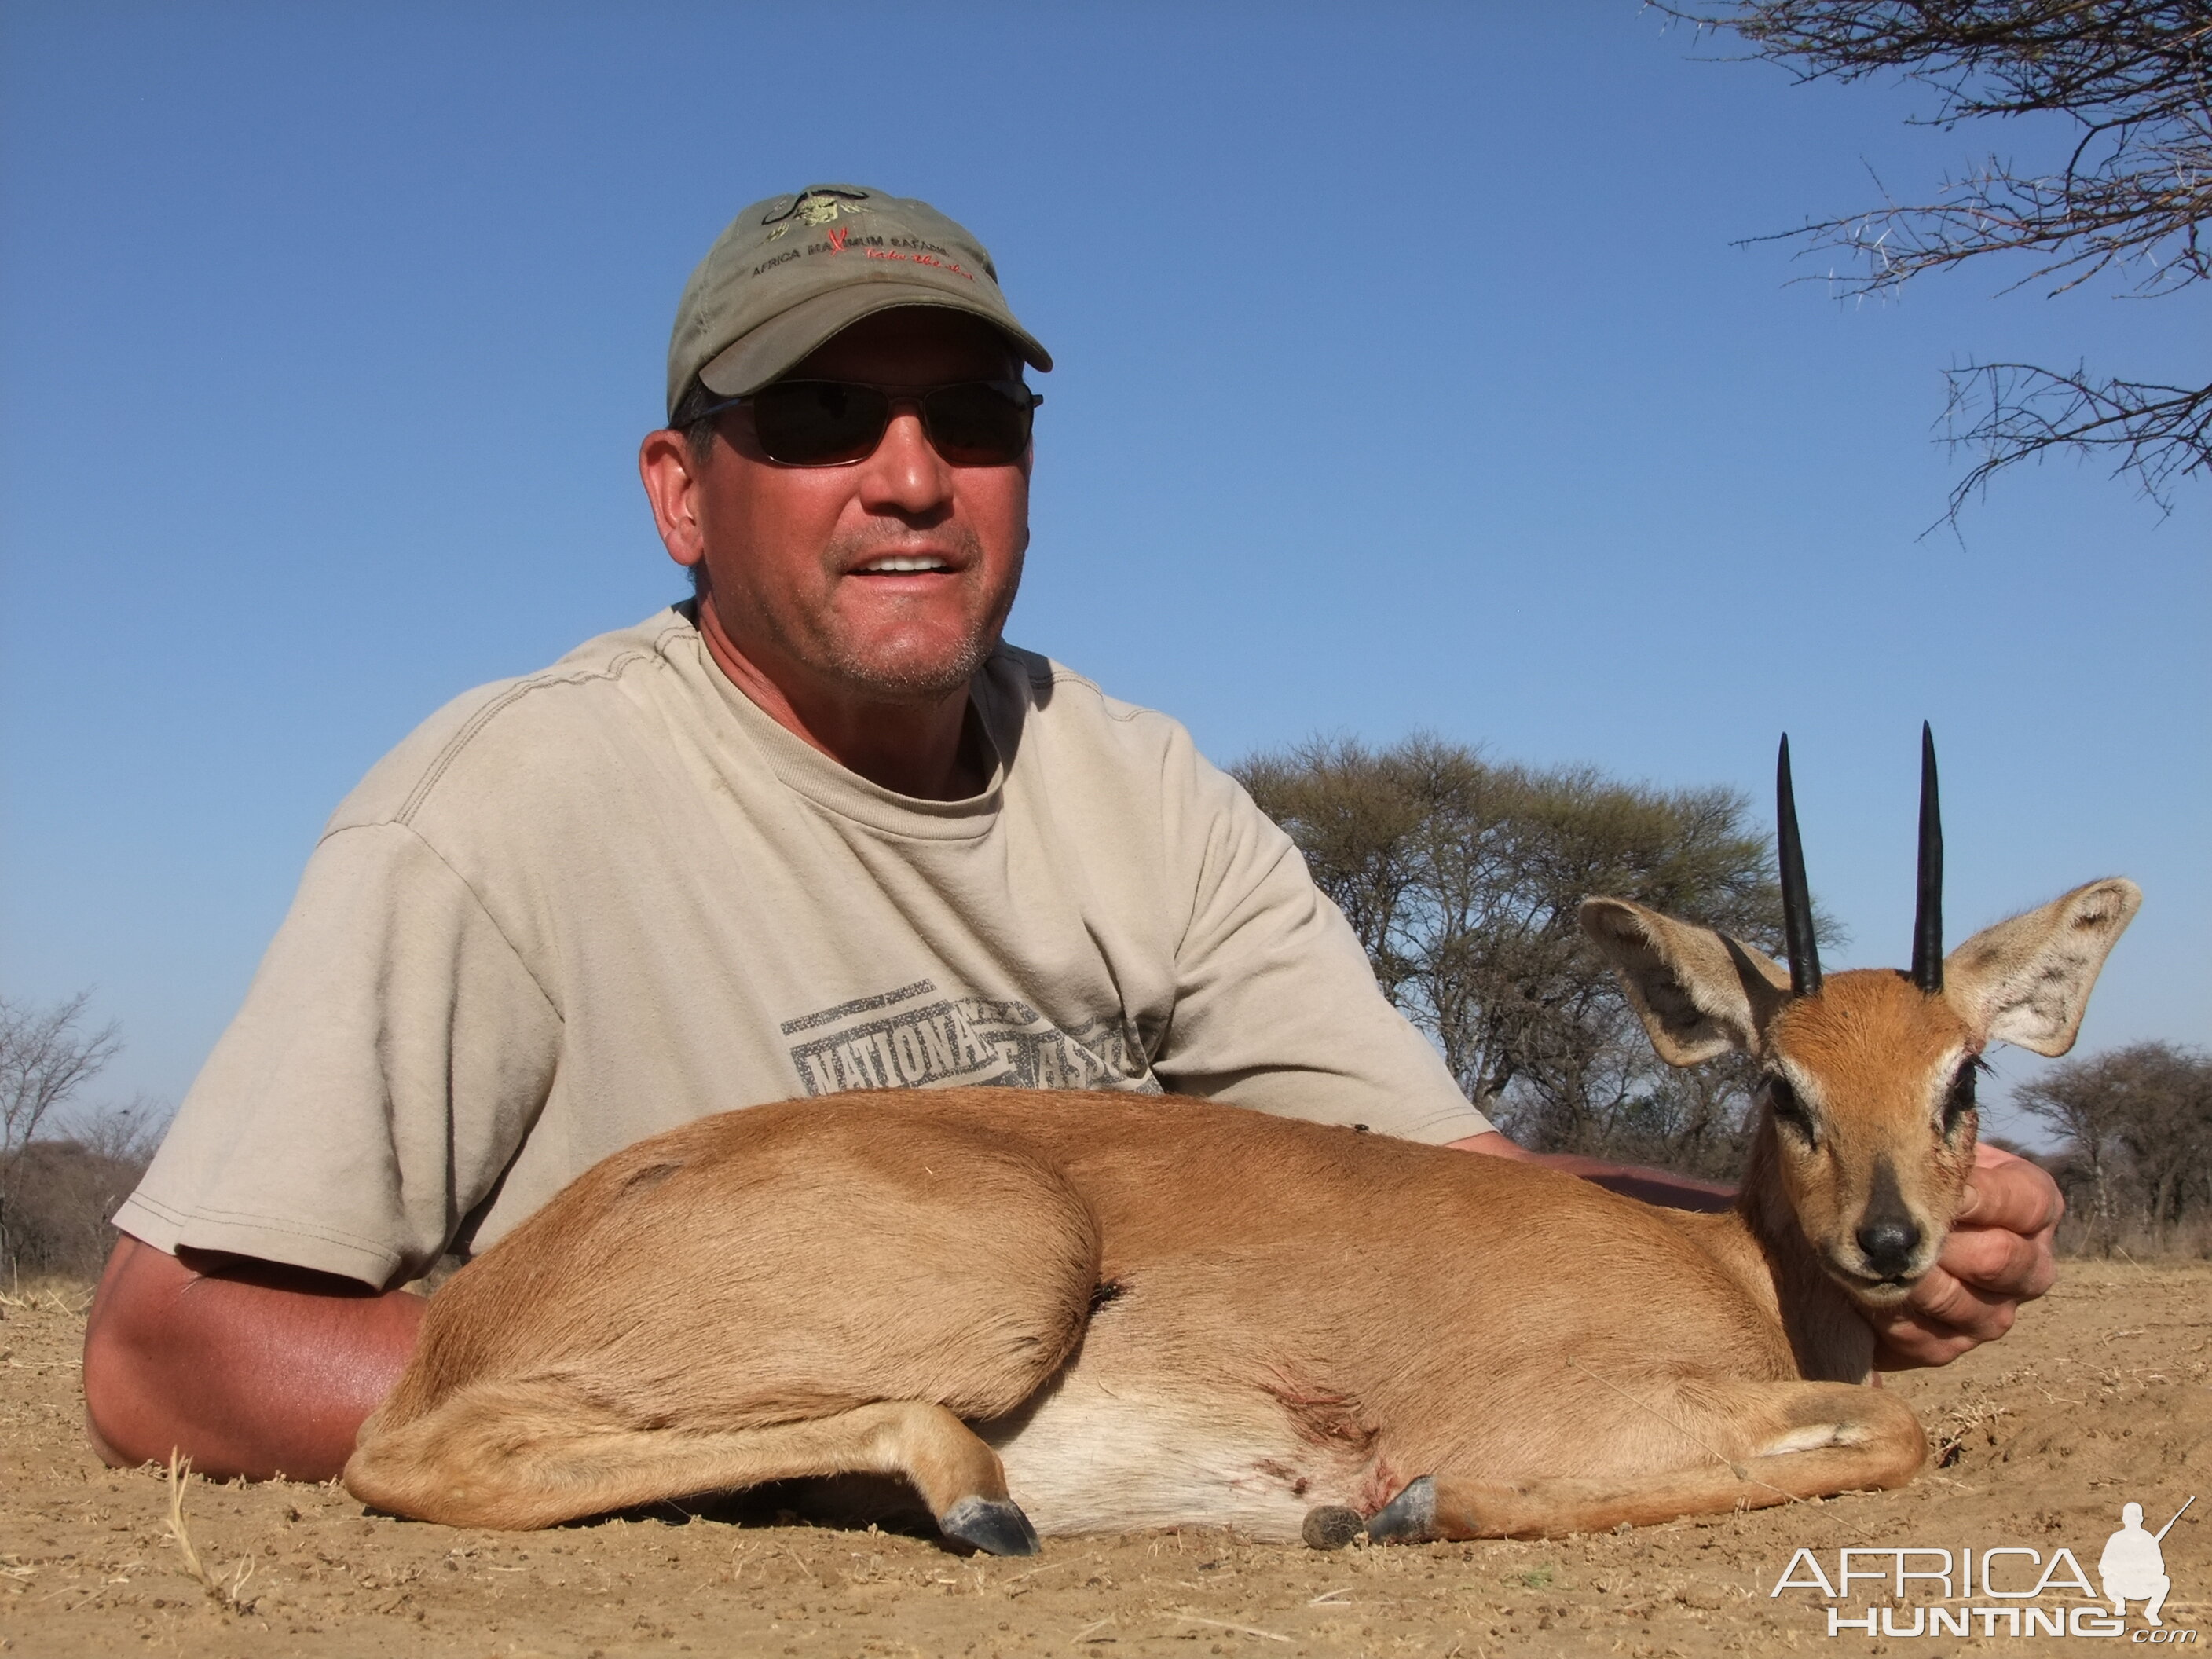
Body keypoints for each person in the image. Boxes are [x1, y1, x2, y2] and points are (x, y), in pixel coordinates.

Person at [80, 183, 2064, 1484]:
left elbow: (1461, 1191)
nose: (912, 477)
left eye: (973, 417)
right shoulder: (497, 804)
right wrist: (661, 1402)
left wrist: (1836, 1199)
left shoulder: (1136, 785)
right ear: (682, 491)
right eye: (820, 417)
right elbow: (161, 1354)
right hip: (772, 1367)